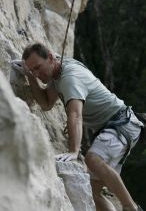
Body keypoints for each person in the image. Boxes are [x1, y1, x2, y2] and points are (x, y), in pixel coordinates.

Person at [20, 43, 143, 211]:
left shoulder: (70, 78)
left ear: (50, 58)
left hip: (121, 123)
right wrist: (31, 77)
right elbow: (46, 103)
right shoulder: (56, 73)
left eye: (38, 68)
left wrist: (73, 150)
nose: (37, 73)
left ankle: (130, 207)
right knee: (93, 192)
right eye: (32, 70)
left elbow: (75, 115)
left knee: (92, 159)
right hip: (115, 126)